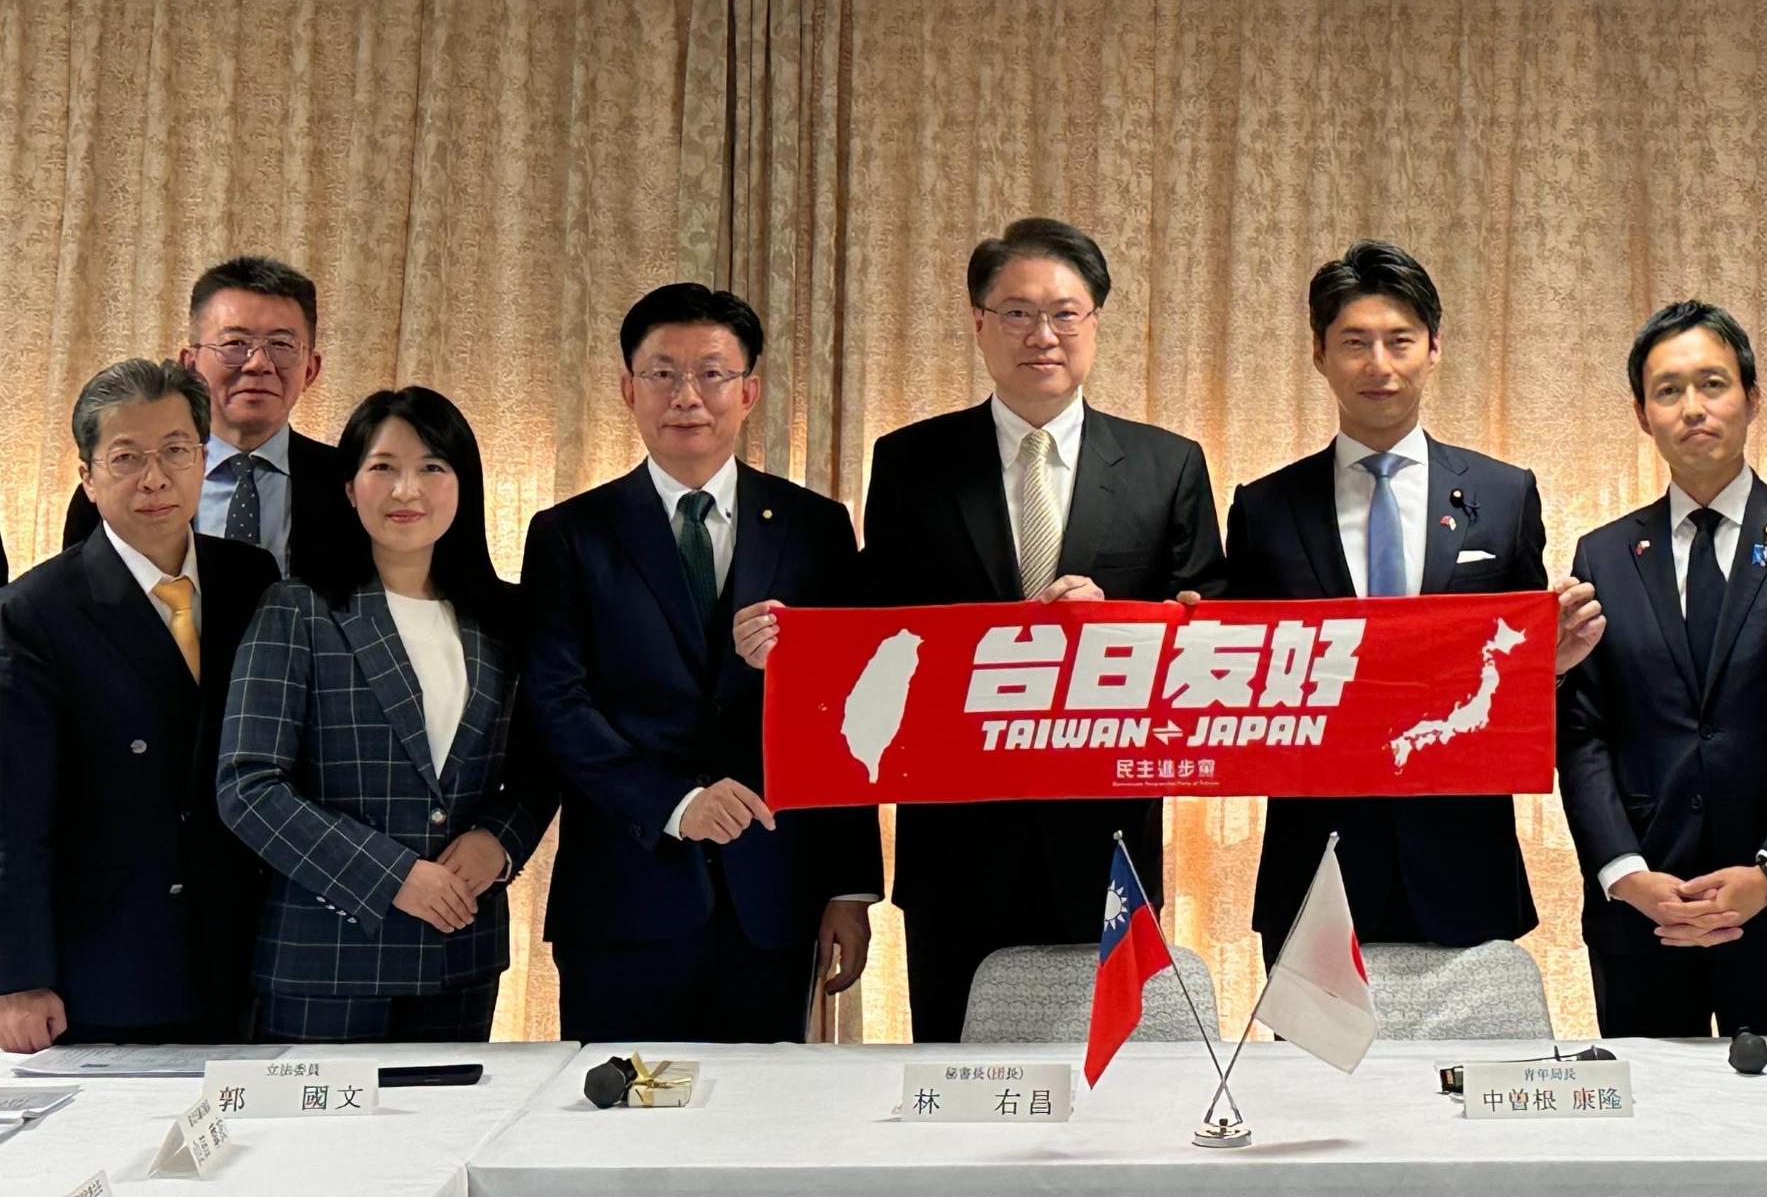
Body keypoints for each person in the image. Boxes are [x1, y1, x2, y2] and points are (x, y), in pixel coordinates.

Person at [775, 218, 1224, 1043]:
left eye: (1064, 313)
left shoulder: (1168, 466)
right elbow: (872, 639)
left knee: (1110, 1083)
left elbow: (1210, 635)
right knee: (956, 1079)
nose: (1041, 335)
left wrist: (1121, 625)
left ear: (1095, 323)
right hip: (957, 843)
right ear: (979, 323)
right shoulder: (913, 464)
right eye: (1016, 313)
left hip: (1108, 842)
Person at [522, 283, 881, 1042]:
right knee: (615, 1107)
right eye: (663, 373)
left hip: (775, 897)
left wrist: (850, 888)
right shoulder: (569, 534)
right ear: (628, 390)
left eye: (712, 373)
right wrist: (676, 802)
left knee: (761, 1110)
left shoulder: (815, 528)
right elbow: (558, 704)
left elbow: (850, 713)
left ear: (748, 392)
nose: (687, 396)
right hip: (624, 895)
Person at [1226, 241, 1568, 961]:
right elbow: (1247, 689)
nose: (1378, 364)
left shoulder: (1504, 497)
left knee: (1477, 1041)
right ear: (1319, 354)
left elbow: (1520, 676)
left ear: (1434, 349)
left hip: (1465, 862)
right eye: (1354, 343)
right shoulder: (1265, 509)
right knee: (1306, 1045)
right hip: (1313, 867)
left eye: (1399, 341)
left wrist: (1555, 664)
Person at [1556, 301, 1767, 1037]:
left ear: (1751, 398)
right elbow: (1583, 735)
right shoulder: (1603, 556)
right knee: (1646, 1106)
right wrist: (1623, 874)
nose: (1693, 408)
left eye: (1713, 384)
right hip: (1644, 915)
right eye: (1668, 391)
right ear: (1642, 415)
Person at [217, 387, 559, 1042]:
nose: (407, 489)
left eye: (432, 467)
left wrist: (500, 842)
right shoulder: (297, 608)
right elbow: (248, 786)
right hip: (325, 962)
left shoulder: (504, 618)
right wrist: (392, 876)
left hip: (460, 955)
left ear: (464, 486)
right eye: (383, 467)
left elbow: (539, 765)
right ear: (350, 488)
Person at [0, 360, 279, 1049]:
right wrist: (19, 978)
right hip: (108, 962)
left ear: (203, 458)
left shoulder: (252, 578)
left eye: (176, 451)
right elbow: (15, 813)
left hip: (242, 950)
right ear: (88, 476)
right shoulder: (36, 610)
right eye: (126, 457)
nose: (154, 478)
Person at [63, 256, 361, 585]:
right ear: (190, 364)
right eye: (235, 344)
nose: (258, 364)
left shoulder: (352, 487)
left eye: (281, 344)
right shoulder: (113, 489)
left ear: (310, 369)